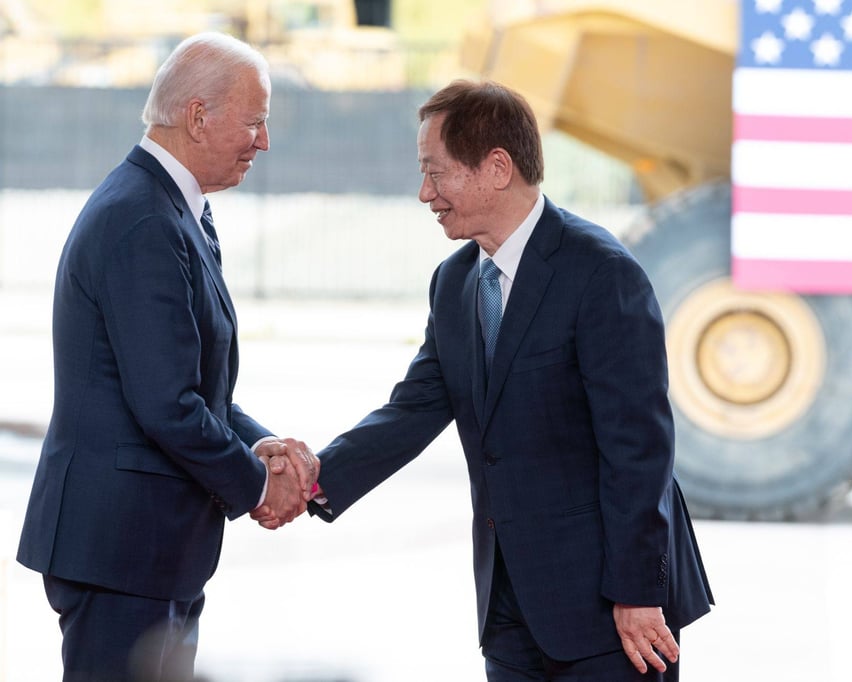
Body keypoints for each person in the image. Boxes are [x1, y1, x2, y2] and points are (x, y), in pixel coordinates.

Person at [268, 79, 714, 680]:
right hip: (508, 603)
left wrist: (637, 592)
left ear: (497, 167)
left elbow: (639, 448)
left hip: (612, 607)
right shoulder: (455, 283)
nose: (425, 192)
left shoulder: (600, 273)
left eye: (436, 172)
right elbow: (415, 408)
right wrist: (317, 479)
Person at [16, 32, 318, 682]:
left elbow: (188, 385)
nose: (263, 142)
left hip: (147, 551)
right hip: (121, 553)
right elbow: (166, 404)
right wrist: (260, 486)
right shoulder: (144, 220)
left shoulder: (173, 211)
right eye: (256, 121)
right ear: (198, 116)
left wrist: (263, 445)